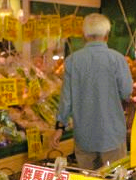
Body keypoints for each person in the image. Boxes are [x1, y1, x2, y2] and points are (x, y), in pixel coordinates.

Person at [52, 13, 131, 170]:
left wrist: (59, 128)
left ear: (84, 36)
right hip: (112, 134)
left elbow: (66, 100)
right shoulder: (118, 59)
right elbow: (126, 92)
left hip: (84, 135)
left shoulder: (72, 61)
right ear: (107, 35)